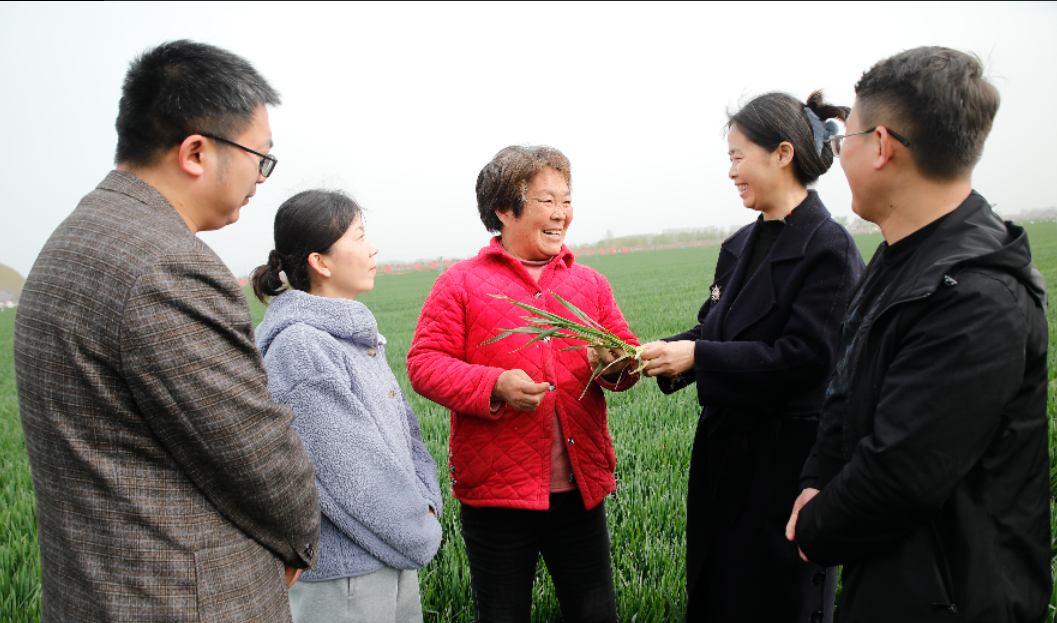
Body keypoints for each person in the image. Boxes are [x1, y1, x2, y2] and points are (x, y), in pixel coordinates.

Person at [13, 40, 319, 622]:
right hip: (184, 597)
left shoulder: (74, 238)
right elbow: (258, 455)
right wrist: (301, 538)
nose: (261, 175)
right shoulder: (166, 266)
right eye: (261, 156)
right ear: (197, 152)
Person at [785, 47, 1050, 622]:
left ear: (881, 147)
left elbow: (901, 473)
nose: (839, 153)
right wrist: (816, 479)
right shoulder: (901, 259)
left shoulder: (977, 295)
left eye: (843, 138)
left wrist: (815, 525)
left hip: (954, 597)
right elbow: (847, 386)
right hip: (890, 581)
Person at [641, 91, 864, 622]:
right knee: (717, 593)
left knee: (775, 601)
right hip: (725, 462)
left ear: (782, 153)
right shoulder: (741, 243)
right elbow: (715, 329)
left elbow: (806, 357)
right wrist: (647, 354)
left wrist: (697, 357)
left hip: (784, 467)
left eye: (738, 156)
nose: (732, 171)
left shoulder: (828, 248)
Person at [407, 145, 638, 623]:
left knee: (596, 612)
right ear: (503, 209)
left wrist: (615, 366)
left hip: (578, 490)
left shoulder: (590, 284)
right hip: (497, 495)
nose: (561, 215)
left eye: (567, 200)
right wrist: (495, 385)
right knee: (502, 614)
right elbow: (425, 364)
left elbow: (626, 360)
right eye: (546, 201)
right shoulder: (461, 283)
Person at [251, 190, 444, 623]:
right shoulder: (301, 347)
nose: (372, 248)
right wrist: (419, 526)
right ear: (321, 262)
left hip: (389, 557)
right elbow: (350, 471)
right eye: (359, 237)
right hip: (345, 581)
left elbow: (407, 433)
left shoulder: (352, 337)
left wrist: (427, 503)